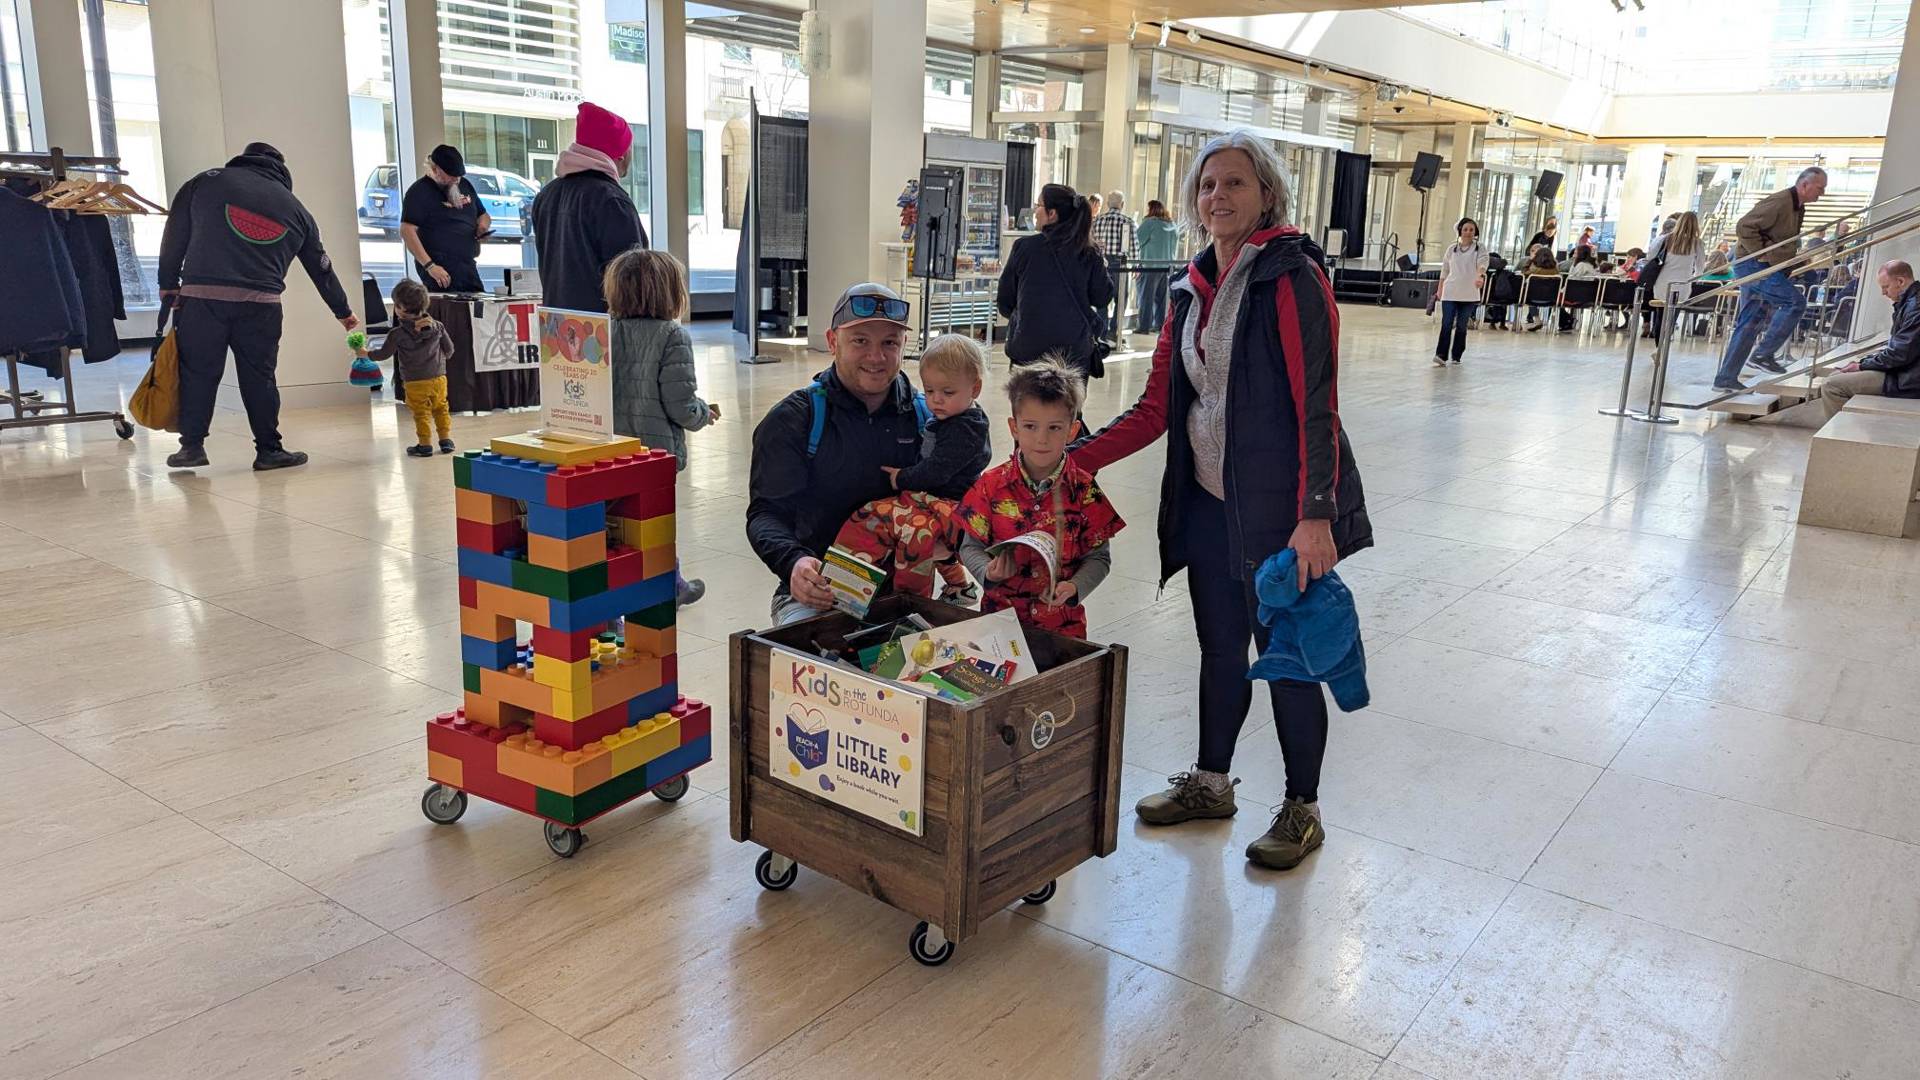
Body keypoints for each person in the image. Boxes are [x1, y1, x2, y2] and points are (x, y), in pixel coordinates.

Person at [1070, 130, 1371, 873]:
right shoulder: (1191, 286)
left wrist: (1316, 513)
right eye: (1207, 185)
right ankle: (1211, 783)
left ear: (1266, 193)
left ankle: (1303, 808)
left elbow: (1317, 404)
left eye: (1234, 183)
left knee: (1289, 659)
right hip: (1208, 504)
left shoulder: (1291, 276)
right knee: (1219, 651)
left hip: (1280, 511)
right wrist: (1068, 461)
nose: (1218, 197)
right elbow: (1155, 408)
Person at [157, 141, 359, 472]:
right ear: (280, 168)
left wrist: (168, 284)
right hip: (261, 305)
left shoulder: (204, 182)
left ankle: (191, 447)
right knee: (260, 377)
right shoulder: (296, 209)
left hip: (203, 298)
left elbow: (175, 233)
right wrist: (343, 311)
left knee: (198, 372)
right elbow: (320, 267)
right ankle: (269, 451)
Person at [748, 283, 924, 626]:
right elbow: (765, 514)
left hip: (904, 598)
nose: (876, 357)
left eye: (889, 342)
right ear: (832, 342)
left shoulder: (926, 419)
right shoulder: (795, 419)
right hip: (818, 595)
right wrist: (795, 563)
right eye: (860, 341)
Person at [957, 357, 1123, 640]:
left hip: (1063, 629)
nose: (1041, 439)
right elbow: (968, 547)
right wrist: (988, 572)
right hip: (999, 624)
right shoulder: (989, 486)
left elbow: (1099, 558)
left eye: (1054, 428)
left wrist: (1075, 588)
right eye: (1031, 426)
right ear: (1014, 427)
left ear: (1072, 430)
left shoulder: (1084, 491)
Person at [834, 333, 993, 602]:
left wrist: (902, 477)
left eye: (947, 392)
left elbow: (936, 471)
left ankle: (909, 604)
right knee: (884, 520)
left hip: (951, 505)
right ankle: (843, 591)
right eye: (929, 391)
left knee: (905, 532)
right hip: (934, 501)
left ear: (974, 389)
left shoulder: (966, 428)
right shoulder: (954, 416)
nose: (936, 400)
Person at [604, 248, 719, 607]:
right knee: (653, 525)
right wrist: (704, 414)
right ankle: (669, 584)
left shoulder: (603, 331)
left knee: (610, 522)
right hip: (653, 456)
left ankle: (612, 589)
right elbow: (680, 404)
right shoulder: (672, 336)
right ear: (671, 292)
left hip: (605, 451)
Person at [1713, 166, 1827, 390]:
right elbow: (1744, 226)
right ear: (1804, 185)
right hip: (1754, 266)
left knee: (1750, 322)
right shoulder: (1781, 201)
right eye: (1819, 188)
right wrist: (1763, 252)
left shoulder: (1796, 205)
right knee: (1795, 302)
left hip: (1759, 266)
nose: (1821, 193)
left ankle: (1725, 378)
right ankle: (1763, 354)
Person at [530, 101, 647, 313]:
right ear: (619, 155)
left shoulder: (547, 195)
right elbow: (631, 282)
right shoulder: (611, 201)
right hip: (600, 331)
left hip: (557, 327)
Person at [996, 183, 1112, 376]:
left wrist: (1025, 318)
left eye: (1039, 205)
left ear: (1052, 214)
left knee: (1027, 405)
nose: (1035, 211)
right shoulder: (1089, 252)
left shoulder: (1025, 248)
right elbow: (1102, 297)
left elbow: (1005, 301)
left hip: (1028, 350)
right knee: (1068, 405)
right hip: (1073, 352)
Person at [358, 280, 453, 457]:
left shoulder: (397, 334)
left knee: (421, 412)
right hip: (439, 377)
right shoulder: (438, 326)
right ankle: (445, 440)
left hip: (415, 381)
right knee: (441, 407)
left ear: (400, 308)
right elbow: (450, 350)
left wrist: (365, 353)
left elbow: (383, 354)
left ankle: (425, 445)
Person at [1818, 260, 1920, 419]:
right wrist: (1865, 362)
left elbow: (1900, 354)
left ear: (1900, 281)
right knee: (1834, 376)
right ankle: (1846, 429)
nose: (1883, 293)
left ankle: (1842, 438)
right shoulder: (1909, 302)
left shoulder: (1915, 306)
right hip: (1905, 371)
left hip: (1908, 379)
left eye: (1885, 287)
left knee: (1831, 386)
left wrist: (1862, 365)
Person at [401, 144, 489, 293]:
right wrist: (429, 266)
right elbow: (407, 231)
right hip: (439, 268)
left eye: (459, 175)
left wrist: (483, 226)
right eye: (451, 175)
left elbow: (483, 214)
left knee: (478, 310)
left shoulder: (465, 185)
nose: (456, 179)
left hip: (467, 265)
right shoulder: (419, 192)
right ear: (435, 169)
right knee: (448, 311)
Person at [1432, 216, 1487, 366]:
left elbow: (1483, 263)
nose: (1468, 232)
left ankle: (1457, 354)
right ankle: (1441, 355)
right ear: (1460, 231)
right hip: (1450, 291)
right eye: (1465, 229)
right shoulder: (1452, 249)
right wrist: (1440, 289)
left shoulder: (1479, 248)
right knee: (1447, 323)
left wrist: (1480, 276)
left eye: (1471, 230)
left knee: (1462, 325)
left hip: (1469, 293)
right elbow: (1445, 270)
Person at [1647, 211, 1707, 341]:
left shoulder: (1665, 239)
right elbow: (1700, 268)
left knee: (1660, 316)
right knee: (1673, 316)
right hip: (1682, 284)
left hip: (1662, 282)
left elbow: (1650, 256)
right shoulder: (1698, 243)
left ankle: (1658, 347)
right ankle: (1663, 347)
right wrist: (1695, 277)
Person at [1090, 190, 1138, 341]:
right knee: (1121, 298)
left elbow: (1090, 242)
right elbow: (1134, 245)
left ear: (1107, 204)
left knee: (1102, 299)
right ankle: (1114, 331)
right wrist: (1136, 265)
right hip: (1120, 263)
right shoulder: (1128, 221)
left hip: (1101, 264)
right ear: (1122, 205)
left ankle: (1102, 331)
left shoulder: (1097, 221)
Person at [1135, 199, 1181, 333]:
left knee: (1146, 297)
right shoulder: (1172, 225)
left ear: (1151, 209)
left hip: (1150, 265)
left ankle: (1144, 326)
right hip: (1167, 268)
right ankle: (1159, 325)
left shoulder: (1150, 223)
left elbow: (1138, 239)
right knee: (1162, 299)